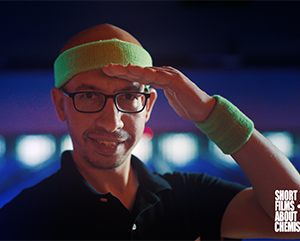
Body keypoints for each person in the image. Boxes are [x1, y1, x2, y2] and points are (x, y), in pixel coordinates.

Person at [0, 24, 299, 241]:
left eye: (129, 97)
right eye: (89, 96)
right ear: (60, 104)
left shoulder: (190, 197)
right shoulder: (21, 219)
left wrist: (212, 114)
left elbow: (292, 218)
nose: (112, 122)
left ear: (148, 105)